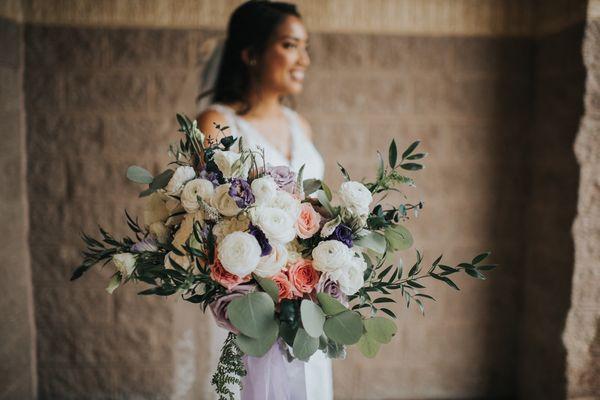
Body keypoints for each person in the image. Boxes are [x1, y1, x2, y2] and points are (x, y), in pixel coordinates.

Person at [196, 2, 330, 400]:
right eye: (290, 45)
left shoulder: (299, 124)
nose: (304, 59)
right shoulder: (218, 123)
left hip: (306, 304)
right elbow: (213, 222)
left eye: (306, 47)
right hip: (249, 305)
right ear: (251, 52)